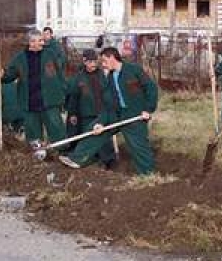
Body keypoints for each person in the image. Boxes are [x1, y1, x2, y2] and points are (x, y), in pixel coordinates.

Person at [60, 46, 158, 175]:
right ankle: (76, 159)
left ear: (112, 58)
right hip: (117, 114)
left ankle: (148, 174)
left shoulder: (134, 70)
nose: (103, 65)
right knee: (94, 130)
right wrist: (100, 122)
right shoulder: (110, 78)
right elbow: (108, 104)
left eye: (104, 61)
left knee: (138, 145)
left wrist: (148, 109)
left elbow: (151, 88)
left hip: (135, 115)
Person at [0, 29, 66, 146]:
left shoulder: (50, 55)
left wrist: (63, 92)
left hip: (50, 100)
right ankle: (36, 155)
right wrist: (2, 75)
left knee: (56, 129)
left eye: (41, 40)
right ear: (30, 43)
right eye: (37, 41)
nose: (40, 43)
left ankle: (61, 150)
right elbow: (10, 75)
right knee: (33, 134)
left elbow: (60, 74)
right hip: (29, 101)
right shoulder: (20, 59)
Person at [65, 48, 115, 168]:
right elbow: (73, 98)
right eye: (90, 61)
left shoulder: (104, 75)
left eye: (95, 61)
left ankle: (109, 161)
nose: (93, 64)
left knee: (105, 140)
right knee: (89, 138)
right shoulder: (79, 78)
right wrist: (72, 114)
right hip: (87, 114)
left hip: (103, 113)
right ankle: (89, 160)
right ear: (84, 61)